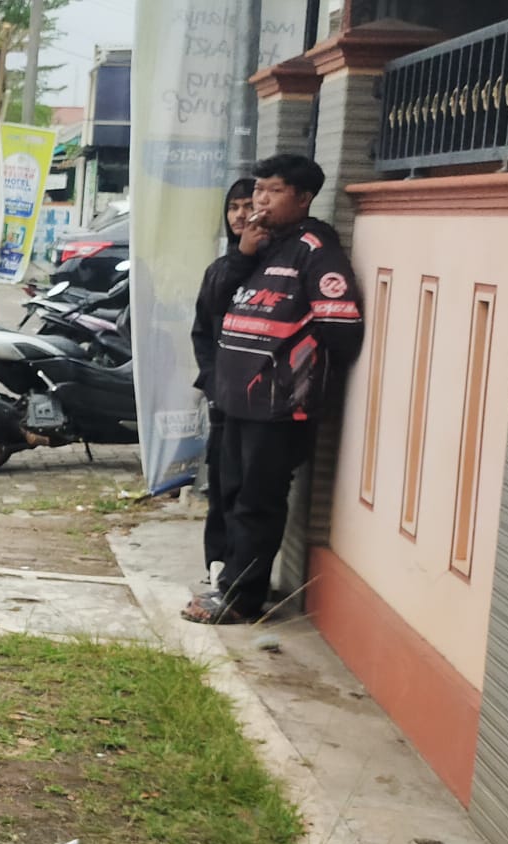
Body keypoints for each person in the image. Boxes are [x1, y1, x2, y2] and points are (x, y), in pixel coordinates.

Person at [183, 153, 363, 625]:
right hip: (235, 401)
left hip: (279, 406)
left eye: (273, 191)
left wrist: (297, 378)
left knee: (257, 502)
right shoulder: (257, 247)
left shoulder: (315, 250)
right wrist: (242, 254)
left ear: (302, 197)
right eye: (258, 190)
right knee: (231, 494)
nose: (260, 201)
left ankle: (242, 599)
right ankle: (227, 582)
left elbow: (342, 330)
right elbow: (213, 305)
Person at [189, 178, 255, 586]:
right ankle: (216, 566)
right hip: (223, 399)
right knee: (221, 485)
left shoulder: (276, 269)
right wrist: (213, 384)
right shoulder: (221, 270)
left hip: (263, 402)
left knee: (249, 492)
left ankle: (239, 574)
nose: (240, 215)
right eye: (233, 207)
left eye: (248, 206)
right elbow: (202, 331)